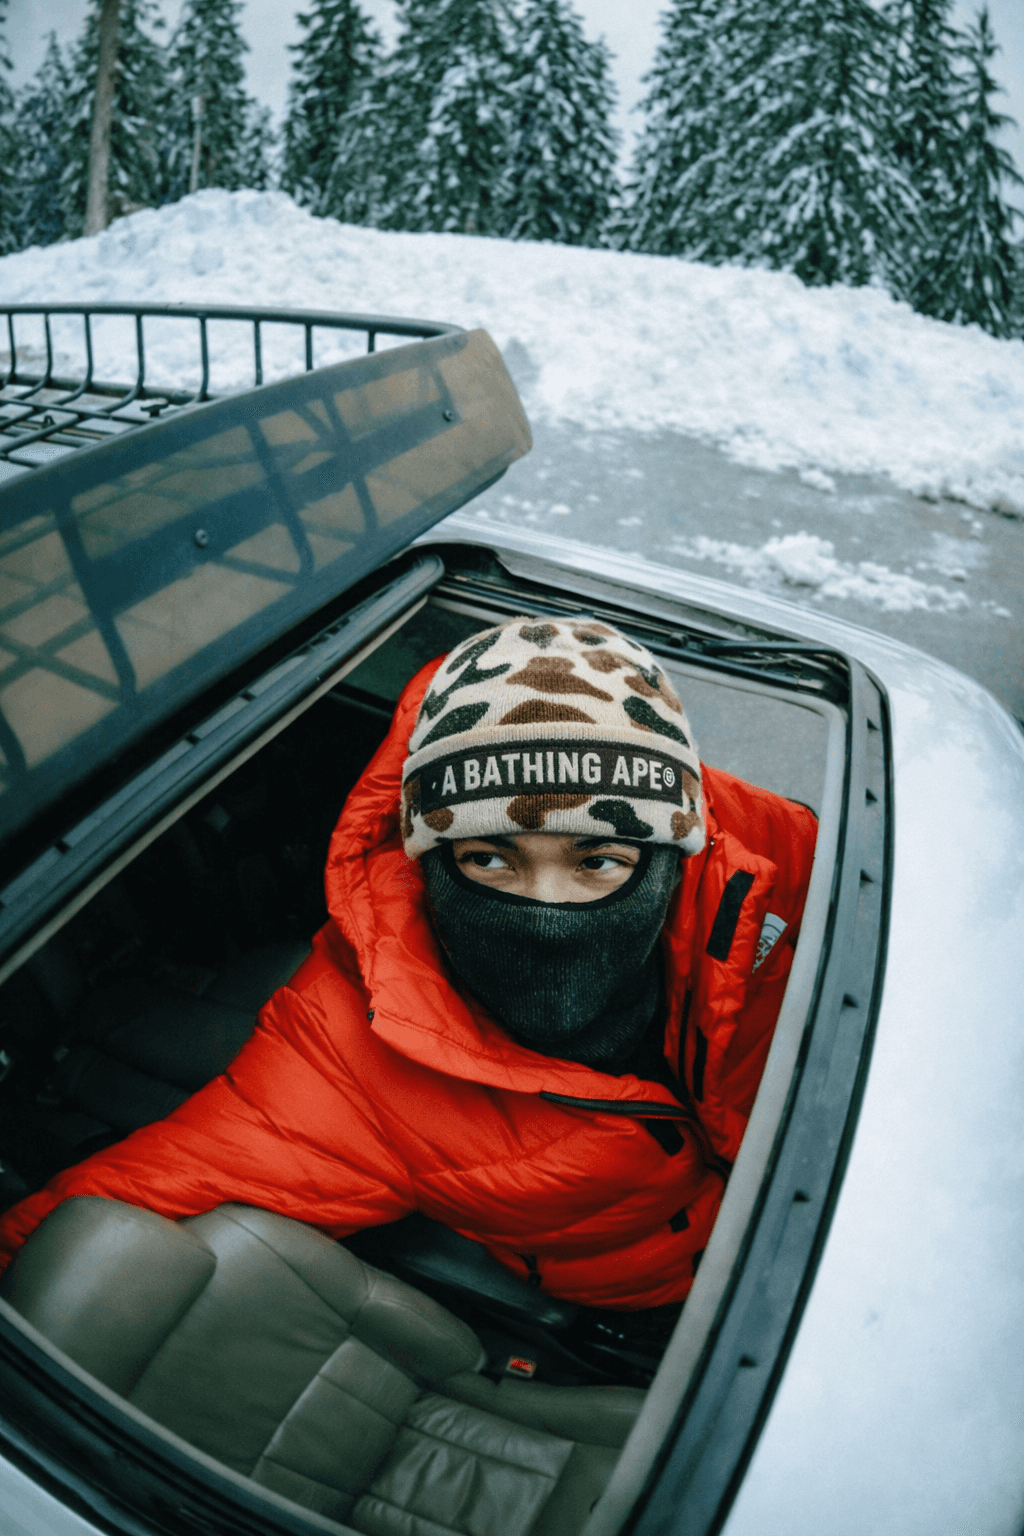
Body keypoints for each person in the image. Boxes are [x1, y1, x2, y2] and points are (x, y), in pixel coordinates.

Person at [0, 617, 817, 1310]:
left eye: (597, 861)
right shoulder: (353, 1050)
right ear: (431, 864)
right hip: (652, 1298)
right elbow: (151, 1185)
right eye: (490, 860)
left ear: (674, 852)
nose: (547, 913)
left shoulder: (771, 856)